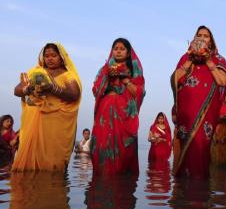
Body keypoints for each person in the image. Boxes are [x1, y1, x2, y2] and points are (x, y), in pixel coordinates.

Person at [13, 43, 81, 171]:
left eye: (53, 55)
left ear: (62, 58)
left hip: (55, 126)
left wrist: (52, 88)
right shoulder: (35, 72)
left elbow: (74, 95)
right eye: (47, 56)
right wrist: (28, 89)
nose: (49, 58)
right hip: (33, 122)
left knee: (53, 165)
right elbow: (17, 90)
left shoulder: (68, 75)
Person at [171, 25, 226, 178]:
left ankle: (199, 192)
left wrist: (209, 61)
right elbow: (175, 81)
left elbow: (222, 81)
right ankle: (182, 190)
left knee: (201, 147)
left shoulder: (218, 59)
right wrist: (189, 61)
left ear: (211, 42)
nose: (202, 38)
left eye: (206, 36)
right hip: (186, 112)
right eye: (199, 35)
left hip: (206, 113)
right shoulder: (186, 57)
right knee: (185, 147)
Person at [91, 38, 145, 175]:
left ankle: (122, 186)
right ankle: (102, 179)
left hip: (124, 113)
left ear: (128, 53)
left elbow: (139, 92)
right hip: (105, 111)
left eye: (122, 49)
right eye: (116, 48)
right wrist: (107, 78)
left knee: (124, 151)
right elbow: (95, 90)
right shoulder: (104, 69)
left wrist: (124, 78)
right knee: (102, 146)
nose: (118, 51)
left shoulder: (134, 70)